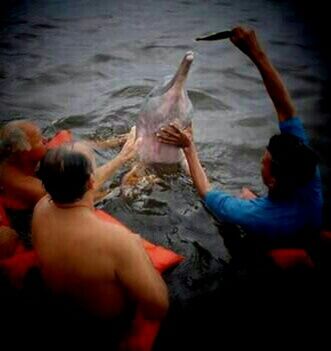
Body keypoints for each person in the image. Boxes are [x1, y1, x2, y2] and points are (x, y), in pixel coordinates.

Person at [157, 26, 323, 253]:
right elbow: (285, 109)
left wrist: (188, 146)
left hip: (269, 238)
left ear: (273, 181)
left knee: (232, 217)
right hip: (305, 224)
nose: (261, 162)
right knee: (248, 196)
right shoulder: (307, 172)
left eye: (264, 162)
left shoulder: (250, 214)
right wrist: (256, 53)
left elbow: (206, 192)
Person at [31, 142, 169, 344]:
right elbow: (158, 308)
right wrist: (139, 252)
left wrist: (121, 158)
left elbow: (74, 186)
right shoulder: (118, 241)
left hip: (60, 311)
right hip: (104, 330)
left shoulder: (41, 208)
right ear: (90, 183)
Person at [0, 120, 137, 210]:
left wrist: (117, 142)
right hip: (35, 214)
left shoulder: (21, 158)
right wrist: (122, 162)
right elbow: (77, 197)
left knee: (73, 147)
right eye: (39, 141)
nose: (45, 140)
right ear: (24, 153)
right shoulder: (26, 185)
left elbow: (72, 146)